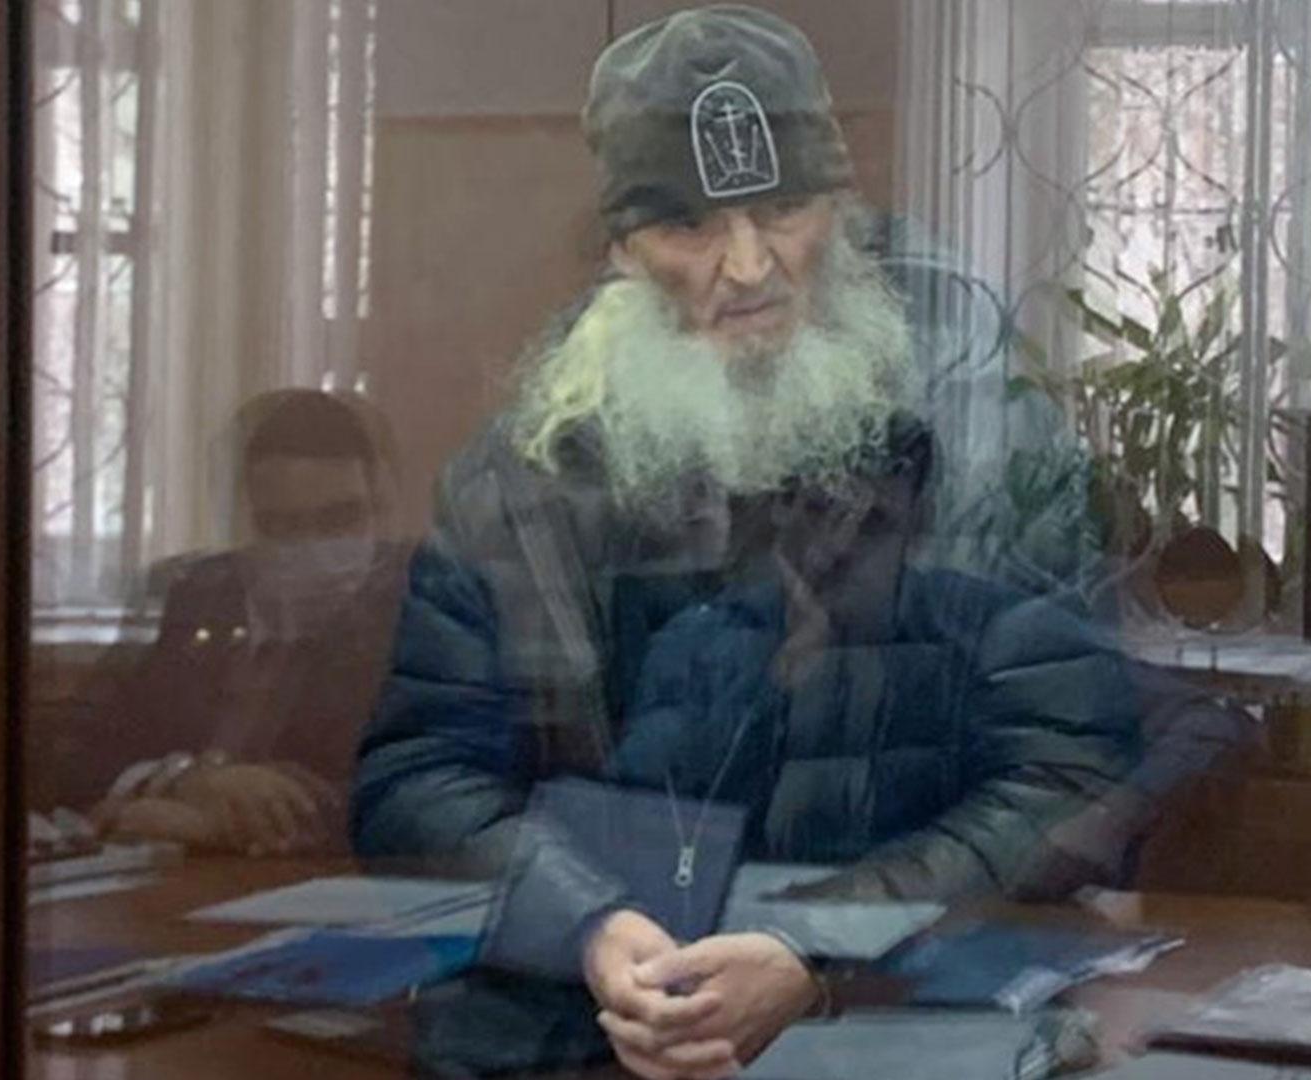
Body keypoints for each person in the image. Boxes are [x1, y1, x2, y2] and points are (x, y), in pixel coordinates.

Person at [350, 7, 1249, 1077]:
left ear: (840, 206)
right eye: (689, 226)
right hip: (585, 1037)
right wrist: (585, 923)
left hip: (897, 1028)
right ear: (623, 248)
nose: (747, 266)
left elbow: (1067, 774)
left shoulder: (988, 451)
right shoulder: (519, 476)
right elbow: (419, 778)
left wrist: (815, 948)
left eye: (782, 209)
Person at [89, 388, 412, 856]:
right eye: (281, 526)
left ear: (379, 510)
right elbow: (96, 753)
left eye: (342, 519)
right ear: (239, 524)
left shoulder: (421, 612)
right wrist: (187, 779)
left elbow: (419, 794)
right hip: (169, 879)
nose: (315, 548)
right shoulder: (198, 595)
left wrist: (215, 822)